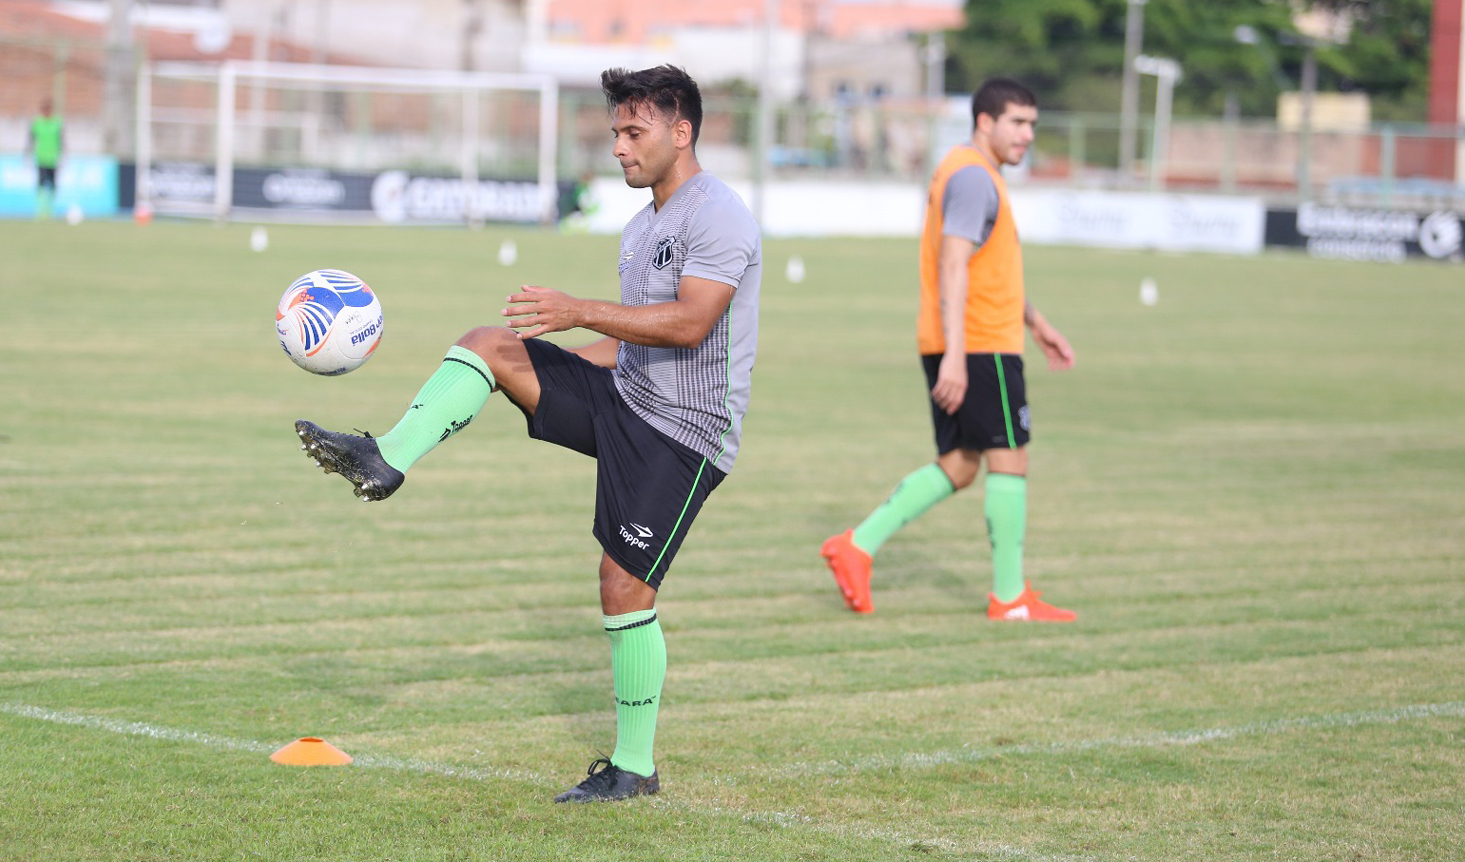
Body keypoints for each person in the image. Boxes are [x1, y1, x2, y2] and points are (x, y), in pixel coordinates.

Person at [293, 65, 761, 802]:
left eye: (633, 132)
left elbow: (691, 322)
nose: (618, 147)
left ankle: (633, 769)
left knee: (622, 585)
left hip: (683, 432)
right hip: (625, 396)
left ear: (681, 132)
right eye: (614, 132)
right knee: (491, 344)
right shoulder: (642, 229)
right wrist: (548, 367)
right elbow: (633, 343)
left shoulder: (717, 215)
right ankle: (386, 457)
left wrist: (577, 309)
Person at [820, 78, 1076, 621]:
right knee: (1010, 458)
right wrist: (959, 355)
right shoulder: (973, 178)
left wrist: (1037, 321)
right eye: (1018, 122)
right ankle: (1009, 598)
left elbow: (986, 268)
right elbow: (953, 264)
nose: (1027, 135)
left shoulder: (966, 170)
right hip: (979, 343)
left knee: (961, 465)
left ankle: (856, 546)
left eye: (1033, 124)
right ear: (985, 121)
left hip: (970, 337)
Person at [27, 98, 63, 220]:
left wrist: (62, 156)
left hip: (53, 158)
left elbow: (61, 140)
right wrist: (27, 153)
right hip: (41, 157)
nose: (46, 111)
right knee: (41, 183)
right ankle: (40, 211)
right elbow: (31, 139)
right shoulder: (37, 122)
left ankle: (50, 210)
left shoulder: (57, 122)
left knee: (52, 184)